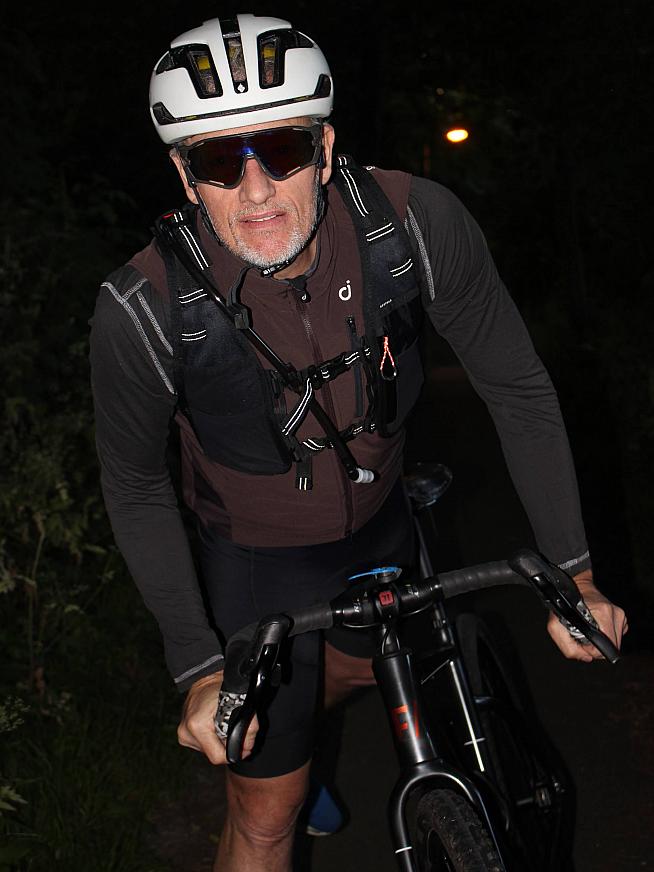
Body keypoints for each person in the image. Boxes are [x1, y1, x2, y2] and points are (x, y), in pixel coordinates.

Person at [89, 12, 627, 872]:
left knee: (357, 669)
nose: (257, 192)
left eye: (283, 150)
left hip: (383, 525)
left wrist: (576, 571)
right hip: (255, 564)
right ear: (185, 176)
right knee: (268, 816)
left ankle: (311, 709)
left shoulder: (413, 224)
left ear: (326, 147)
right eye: (221, 162)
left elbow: (516, 386)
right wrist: (197, 667)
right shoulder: (144, 310)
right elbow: (134, 483)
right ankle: (293, 762)